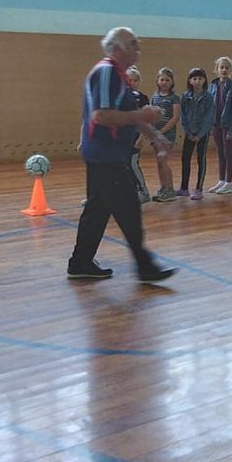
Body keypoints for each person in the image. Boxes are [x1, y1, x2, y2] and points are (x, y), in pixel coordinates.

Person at [67, 27, 175, 283]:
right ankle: (145, 267)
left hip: (105, 154)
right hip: (106, 155)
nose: (138, 48)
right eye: (133, 44)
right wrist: (143, 115)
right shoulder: (107, 72)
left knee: (97, 209)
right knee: (128, 209)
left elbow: (130, 116)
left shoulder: (119, 76)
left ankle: (80, 262)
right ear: (117, 48)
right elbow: (101, 116)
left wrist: (155, 136)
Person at [207, 56, 232, 195]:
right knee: (220, 152)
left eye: (227, 68)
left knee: (228, 152)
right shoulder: (213, 85)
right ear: (217, 69)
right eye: (221, 67)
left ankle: (228, 182)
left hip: (227, 125)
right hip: (216, 124)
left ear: (231, 70)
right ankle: (221, 180)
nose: (224, 70)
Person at [179, 67, 213, 200]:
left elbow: (208, 118)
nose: (197, 81)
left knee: (201, 159)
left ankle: (199, 188)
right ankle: (184, 188)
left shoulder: (208, 97)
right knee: (185, 158)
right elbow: (183, 115)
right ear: (190, 81)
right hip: (189, 133)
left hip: (202, 134)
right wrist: (188, 132)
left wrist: (200, 134)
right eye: (194, 78)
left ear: (204, 80)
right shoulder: (185, 96)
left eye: (200, 78)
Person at [151, 67, 181, 203]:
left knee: (163, 161)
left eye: (167, 80)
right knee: (159, 162)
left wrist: (161, 132)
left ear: (172, 82)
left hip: (167, 136)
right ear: (157, 81)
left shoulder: (174, 98)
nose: (164, 82)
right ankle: (164, 188)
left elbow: (175, 118)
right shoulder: (155, 97)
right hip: (155, 136)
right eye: (162, 79)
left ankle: (170, 190)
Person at [125, 66, 152, 204]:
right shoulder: (121, 98)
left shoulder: (143, 98)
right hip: (123, 137)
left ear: (139, 81)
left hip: (136, 136)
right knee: (125, 165)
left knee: (133, 163)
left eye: (135, 80)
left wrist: (142, 137)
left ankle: (143, 191)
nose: (132, 83)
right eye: (129, 80)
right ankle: (131, 191)